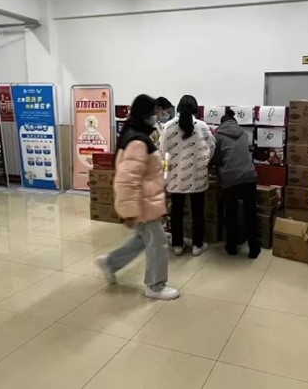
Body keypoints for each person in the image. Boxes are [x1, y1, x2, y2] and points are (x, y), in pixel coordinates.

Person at [96, 94, 179, 301]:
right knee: (158, 244)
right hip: (144, 203)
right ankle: (155, 286)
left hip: (146, 201)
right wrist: (130, 212)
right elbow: (127, 180)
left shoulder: (136, 135)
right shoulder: (137, 142)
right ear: (144, 115)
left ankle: (110, 263)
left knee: (141, 241)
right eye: (154, 113)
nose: (157, 117)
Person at [161, 95, 215, 256]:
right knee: (197, 211)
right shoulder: (202, 126)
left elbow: (163, 153)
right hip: (197, 176)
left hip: (175, 177)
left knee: (176, 211)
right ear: (195, 109)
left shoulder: (168, 127)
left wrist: (165, 176)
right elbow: (211, 147)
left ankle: (177, 245)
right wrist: (203, 162)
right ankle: (197, 245)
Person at [211, 109, 260, 258]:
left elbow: (215, 159)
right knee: (250, 214)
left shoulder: (218, 136)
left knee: (231, 214)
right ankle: (253, 248)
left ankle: (231, 246)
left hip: (231, 179)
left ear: (221, 124)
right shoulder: (243, 134)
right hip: (249, 176)